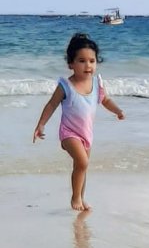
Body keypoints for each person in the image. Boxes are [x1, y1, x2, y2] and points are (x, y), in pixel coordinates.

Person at [33, 33, 125, 211]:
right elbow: (52, 104)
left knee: (82, 168)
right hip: (69, 133)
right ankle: (75, 198)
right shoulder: (65, 85)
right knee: (83, 162)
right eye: (82, 61)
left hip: (86, 134)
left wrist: (118, 111)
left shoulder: (97, 84)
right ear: (71, 64)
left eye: (92, 60)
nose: (88, 65)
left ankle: (81, 199)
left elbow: (105, 100)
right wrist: (41, 124)